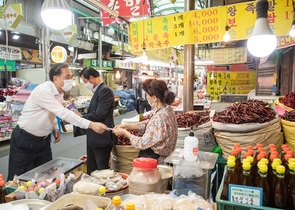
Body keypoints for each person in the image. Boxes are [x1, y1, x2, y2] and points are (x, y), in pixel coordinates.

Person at [7, 63, 109, 181]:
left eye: (71, 77)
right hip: (25, 140)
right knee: (18, 178)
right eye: (67, 77)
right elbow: (63, 113)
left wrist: (54, 127)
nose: (70, 80)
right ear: (55, 78)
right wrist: (90, 124)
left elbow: (53, 112)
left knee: (46, 175)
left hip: (43, 141)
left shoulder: (59, 93)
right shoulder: (44, 91)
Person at [113, 79, 178, 164]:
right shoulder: (168, 109)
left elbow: (142, 143)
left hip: (154, 160)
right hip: (164, 156)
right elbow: (149, 124)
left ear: (154, 98)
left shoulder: (159, 117)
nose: (146, 97)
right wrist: (127, 126)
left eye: (147, 95)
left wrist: (125, 133)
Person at [80, 67, 116, 174]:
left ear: (91, 78)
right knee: (92, 169)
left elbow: (100, 114)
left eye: (84, 81)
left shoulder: (105, 90)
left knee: (102, 171)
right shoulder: (98, 91)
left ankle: (103, 190)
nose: (85, 84)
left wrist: (81, 117)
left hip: (101, 138)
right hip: (94, 137)